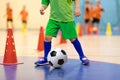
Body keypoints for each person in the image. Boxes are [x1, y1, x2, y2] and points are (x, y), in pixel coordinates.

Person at [35, 0, 89, 65]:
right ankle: (46, 58)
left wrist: (77, 8)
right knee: (47, 37)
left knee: (73, 39)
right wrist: (42, 8)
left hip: (67, 19)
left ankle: (82, 56)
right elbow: (45, 1)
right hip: (53, 19)